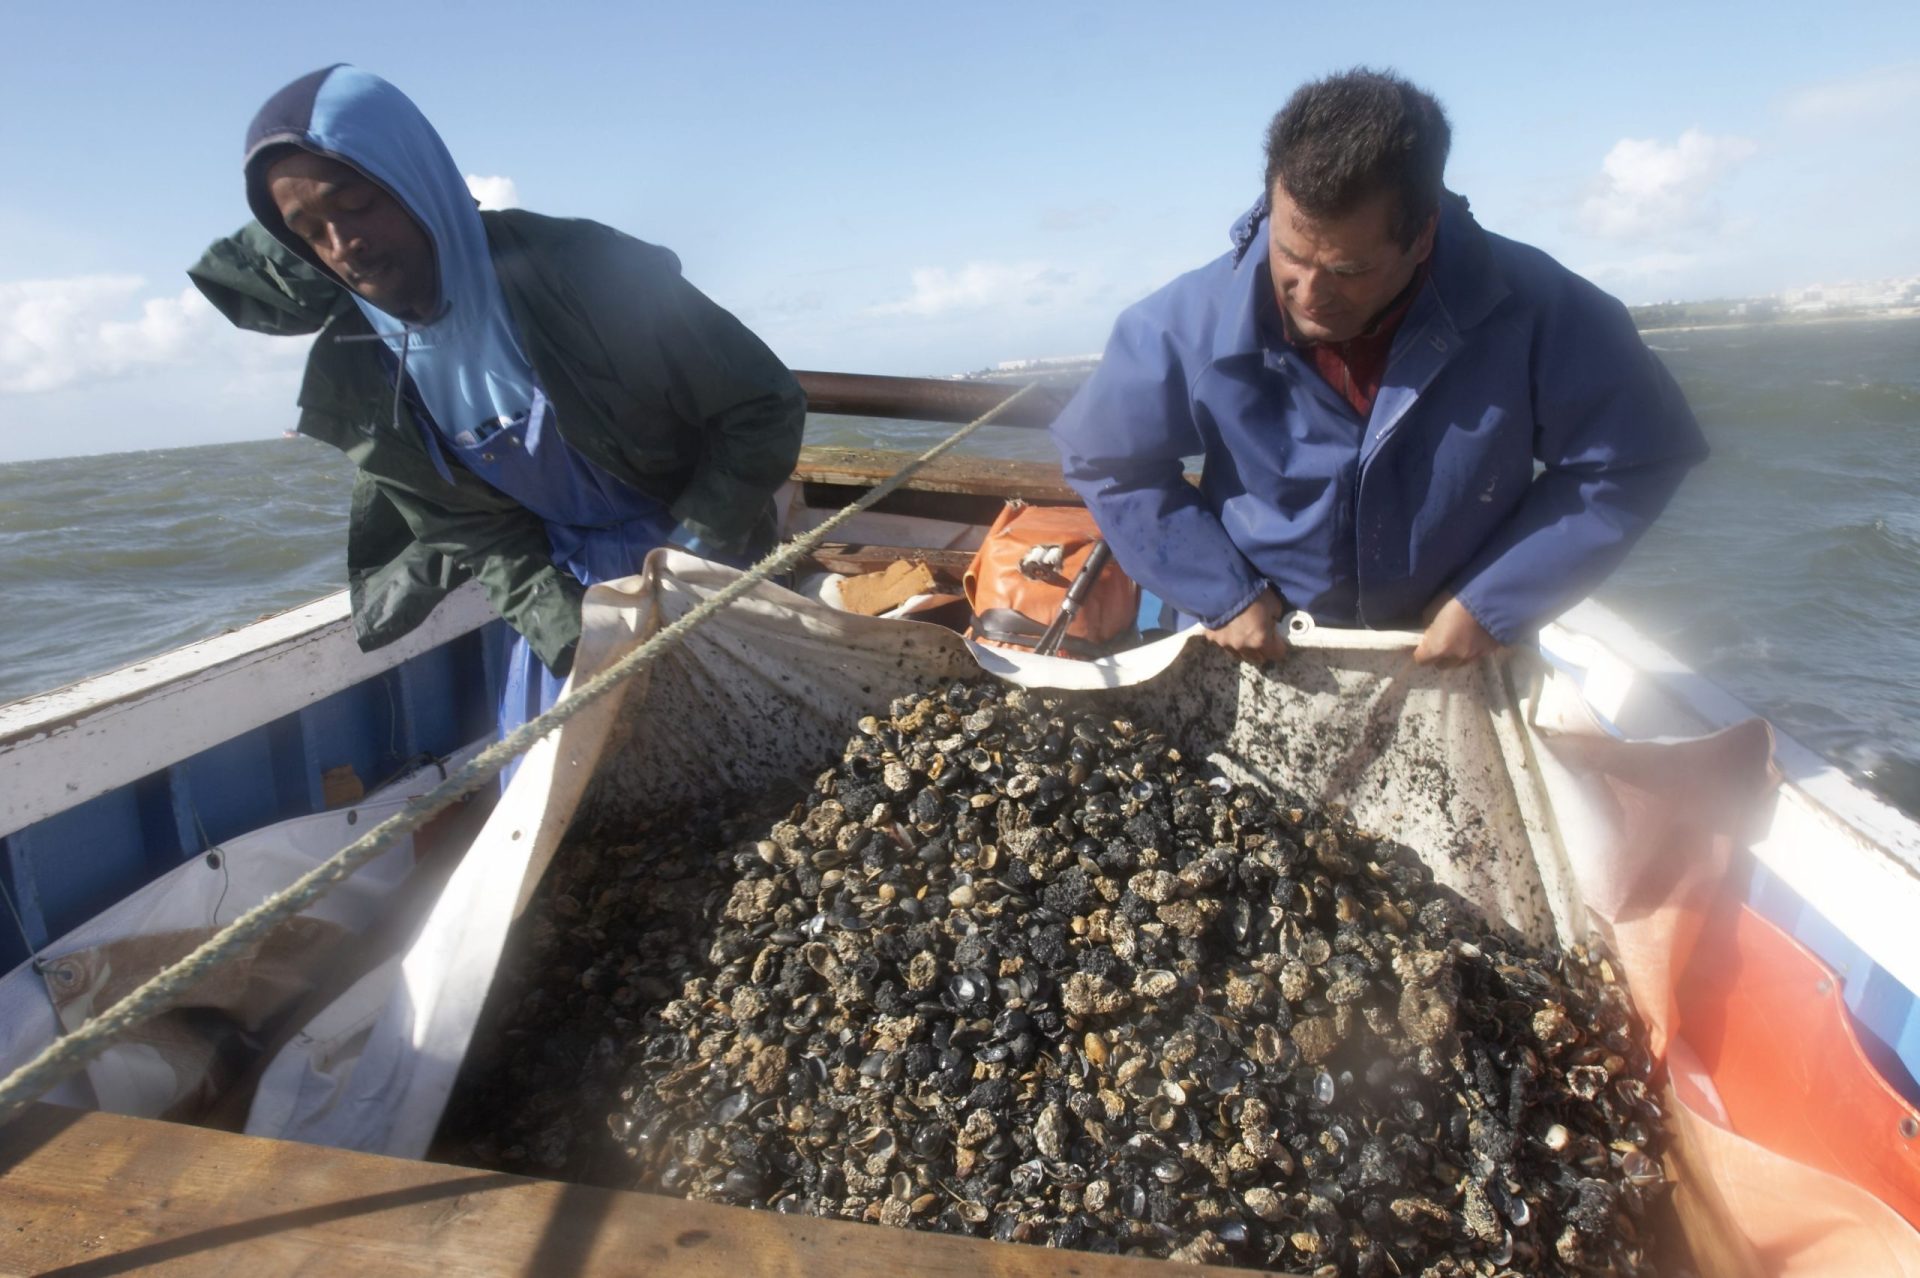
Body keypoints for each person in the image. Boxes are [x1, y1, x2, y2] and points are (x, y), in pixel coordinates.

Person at [188, 65, 805, 743]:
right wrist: (575, 638)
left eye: (357, 203)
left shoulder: (579, 269)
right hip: (565, 585)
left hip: (704, 562)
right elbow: (476, 534)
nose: (343, 245)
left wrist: (689, 558)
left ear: (413, 176)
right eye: (310, 230)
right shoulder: (360, 370)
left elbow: (761, 405)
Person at [1049, 69, 1707, 667]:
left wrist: (1493, 602)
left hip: (1453, 644)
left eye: (1348, 270)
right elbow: (1107, 458)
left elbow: (1633, 456)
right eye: (1289, 255)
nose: (1307, 296)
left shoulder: (1539, 307)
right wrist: (1220, 592)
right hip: (1257, 637)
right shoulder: (1182, 322)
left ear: (1421, 237)